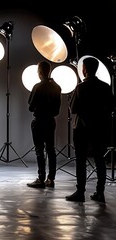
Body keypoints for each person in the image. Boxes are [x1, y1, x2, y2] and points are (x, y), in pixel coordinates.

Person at [65, 57, 114, 203]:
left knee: (81, 161)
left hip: (81, 128)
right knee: (100, 160)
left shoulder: (81, 87)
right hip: (99, 128)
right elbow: (112, 106)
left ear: (85, 69)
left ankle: (80, 192)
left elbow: (73, 109)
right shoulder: (105, 87)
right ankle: (100, 192)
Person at [26, 61, 62, 189]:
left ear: (39, 72)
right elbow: (57, 110)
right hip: (50, 121)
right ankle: (51, 179)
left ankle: (41, 179)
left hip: (39, 121)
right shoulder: (57, 87)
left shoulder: (37, 87)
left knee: (39, 150)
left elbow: (31, 107)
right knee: (51, 150)